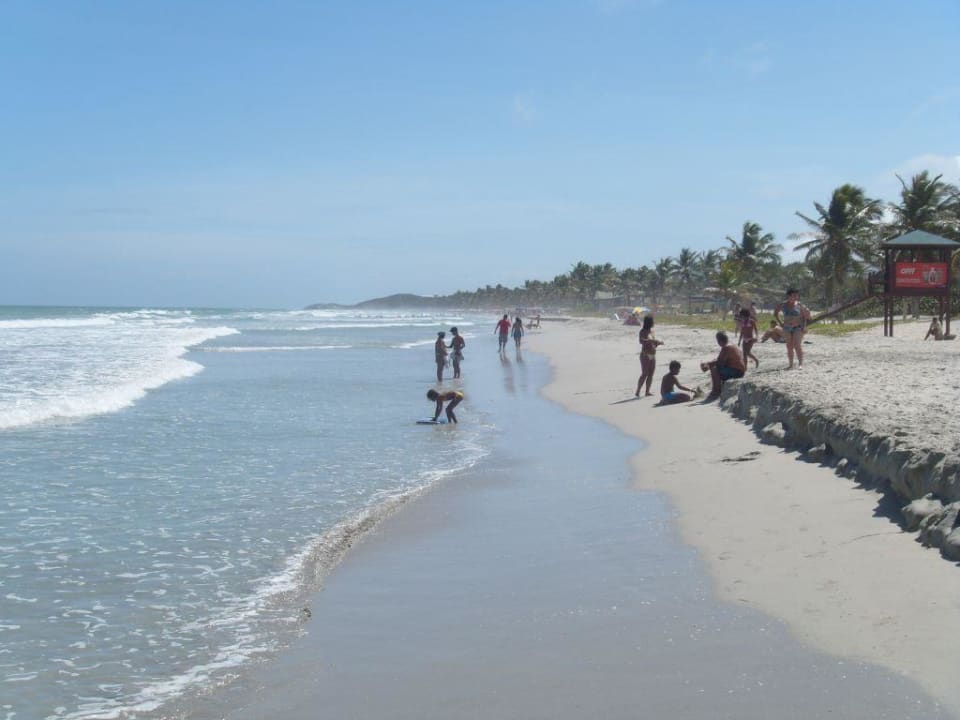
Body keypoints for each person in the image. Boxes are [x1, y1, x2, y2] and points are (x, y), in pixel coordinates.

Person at [700, 331, 745, 399]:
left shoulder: (726, 348)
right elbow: (721, 359)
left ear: (719, 341)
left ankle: (716, 391)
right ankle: (718, 389)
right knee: (715, 366)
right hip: (740, 371)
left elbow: (720, 363)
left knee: (714, 369)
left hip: (737, 372)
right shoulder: (731, 345)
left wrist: (708, 366)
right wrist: (709, 363)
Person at [774, 288, 811, 369]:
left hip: (798, 327)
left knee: (797, 345)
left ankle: (800, 364)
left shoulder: (799, 305)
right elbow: (775, 313)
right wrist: (781, 323)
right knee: (789, 346)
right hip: (786, 327)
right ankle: (790, 364)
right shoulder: (782, 305)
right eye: (794, 295)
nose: (796, 297)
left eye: (796, 296)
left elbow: (805, 317)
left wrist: (804, 327)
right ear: (789, 296)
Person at [634, 315, 664, 397]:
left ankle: (647, 391)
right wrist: (650, 340)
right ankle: (638, 390)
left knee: (651, 374)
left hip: (653, 354)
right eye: (652, 321)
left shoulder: (652, 331)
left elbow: (654, 344)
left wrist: (658, 343)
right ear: (649, 322)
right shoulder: (642, 331)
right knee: (644, 374)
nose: (653, 322)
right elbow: (641, 341)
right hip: (645, 354)